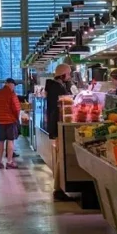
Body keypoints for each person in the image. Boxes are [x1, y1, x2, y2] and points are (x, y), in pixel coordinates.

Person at [44, 64, 71, 200]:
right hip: (59, 126)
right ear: (63, 75)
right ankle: (58, 189)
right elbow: (58, 109)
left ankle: (59, 187)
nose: (70, 77)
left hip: (56, 127)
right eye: (68, 74)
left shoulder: (54, 87)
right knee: (61, 158)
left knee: (59, 156)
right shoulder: (57, 88)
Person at [0, 78, 22, 169]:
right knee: (10, 140)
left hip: (0, 121)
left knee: (1, 141)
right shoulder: (11, 94)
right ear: (9, 84)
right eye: (14, 85)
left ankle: (0, 162)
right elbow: (17, 108)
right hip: (10, 120)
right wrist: (16, 118)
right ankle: (9, 161)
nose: (14, 87)